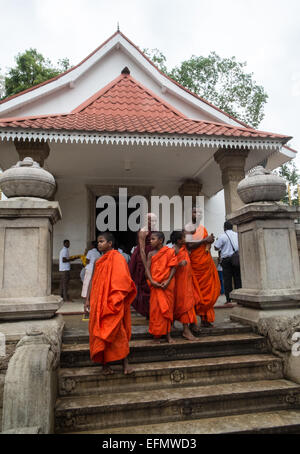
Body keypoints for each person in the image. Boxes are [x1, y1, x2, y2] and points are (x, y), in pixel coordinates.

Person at [84, 232, 137, 375]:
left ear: (110, 244)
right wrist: (87, 299)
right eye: (98, 242)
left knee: (119, 333)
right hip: (99, 302)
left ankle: (125, 364)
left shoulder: (118, 258)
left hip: (114, 302)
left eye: (102, 241)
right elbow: (92, 280)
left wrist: (116, 299)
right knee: (100, 332)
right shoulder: (98, 261)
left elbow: (123, 281)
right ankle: (104, 365)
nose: (99, 244)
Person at [186, 207, 221, 328]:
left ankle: (205, 319)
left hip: (206, 263)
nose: (198, 214)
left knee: (210, 291)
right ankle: (192, 321)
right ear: (190, 214)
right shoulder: (189, 228)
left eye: (200, 212)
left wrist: (209, 241)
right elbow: (189, 245)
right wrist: (204, 240)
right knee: (196, 292)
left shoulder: (203, 228)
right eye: (195, 212)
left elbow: (204, 245)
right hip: (196, 266)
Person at [146, 231, 177, 343]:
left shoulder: (169, 252)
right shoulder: (151, 254)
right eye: (150, 239)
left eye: (153, 239)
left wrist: (168, 281)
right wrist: (151, 281)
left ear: (160, 240)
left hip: (166, 286)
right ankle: (156, 335)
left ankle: (168, 335)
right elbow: (147, 270)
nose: (150, 241)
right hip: (155, 286)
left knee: (167, 311)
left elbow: (173, 267)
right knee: (155, 311)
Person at [171, 230, 199, 341]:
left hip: (187, 281)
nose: (185, 239)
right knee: (184, 305)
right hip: (179, 283)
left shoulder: (184, 249)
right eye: (183, 238)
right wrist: (178, 264)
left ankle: (190, 325)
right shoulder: (174, 250)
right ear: (178, 240)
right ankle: (186, 331)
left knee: (189, 303)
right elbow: (168, 265)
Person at [129, 213, 158, 318]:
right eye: (150, 220)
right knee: (144, 284)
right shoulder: (143, 231)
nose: (153, 222)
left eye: (154, 220)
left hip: (155, 256)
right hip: (143, 257)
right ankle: (146, 310)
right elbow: (141, 249)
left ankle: (153, 310)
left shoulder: (156, 230)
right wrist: (146, 267)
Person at [214, 221, 241, 304]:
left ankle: (228, 299)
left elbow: (216, 247)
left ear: (224, 228)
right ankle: (239, 298)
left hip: (226, 260)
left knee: (227, 280)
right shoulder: (237, 235)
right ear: (232, 227)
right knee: (238, 279)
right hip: (236, 259)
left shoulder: (223, 236)